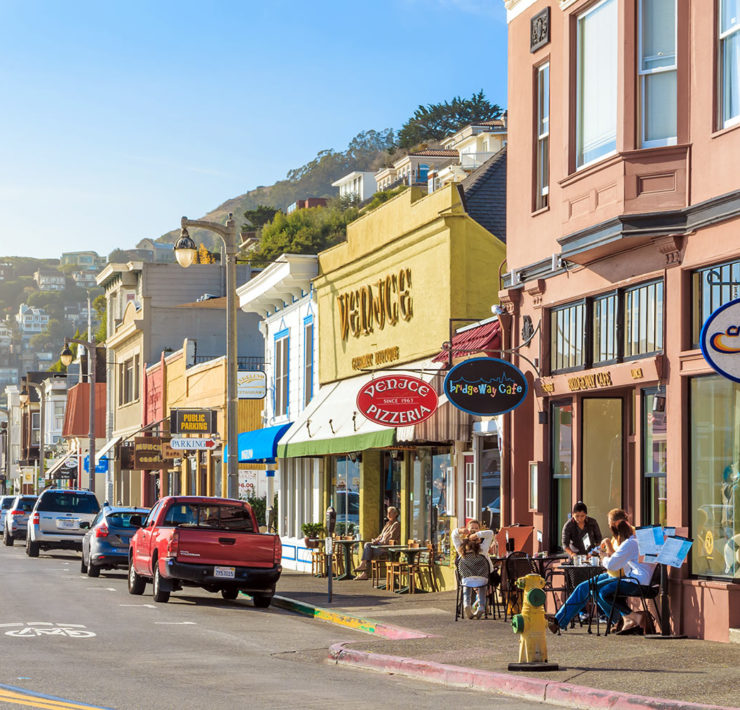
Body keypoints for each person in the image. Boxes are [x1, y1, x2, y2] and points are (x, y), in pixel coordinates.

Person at [547, 508, 655, 634]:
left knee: (590, 589)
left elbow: (617, 560)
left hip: (622, 574)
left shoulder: (631, 537)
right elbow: (617, 557)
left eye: (609, 523)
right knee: (584, 587)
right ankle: (620, 619)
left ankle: (619, 619)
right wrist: (601, 550)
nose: (608, 526)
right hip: (616, 572)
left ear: (615, 523)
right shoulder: (621, 535)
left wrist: (606, 550)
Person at [452, 520, 501, 592]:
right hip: (482, 577)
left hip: (467, 578)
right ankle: (482, 595)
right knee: (493, 578)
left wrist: (460, 531)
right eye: (472, 528)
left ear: (479, 530)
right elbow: (490, 533)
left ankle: (475, 596)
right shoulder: (483, 547)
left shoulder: (461, 548)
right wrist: (476, 534)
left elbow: (454, 535)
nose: (474, 530)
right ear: (467, 530)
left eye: (476, 528)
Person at [354, 507, 400, 580]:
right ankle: (364, 571)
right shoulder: (387, 524)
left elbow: (391, 538)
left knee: (368, 549)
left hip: (387, 548)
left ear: (395, 514)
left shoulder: (396, 524)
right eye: (387, 512)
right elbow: (381, 535)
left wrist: (378, 542)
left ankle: (364, 570)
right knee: (368, 546)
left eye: (390, 513)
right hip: (380, 546)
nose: (388, 514)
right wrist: (376, 540)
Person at [457, 536, 490, 619]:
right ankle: (481, 606)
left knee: (466, 585)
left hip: (467, 579)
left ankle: (466, 604)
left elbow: (460, 571)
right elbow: (486, 570)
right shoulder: (481, 556)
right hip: (481, 579)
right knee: (483, 587)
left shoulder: (462, 558)